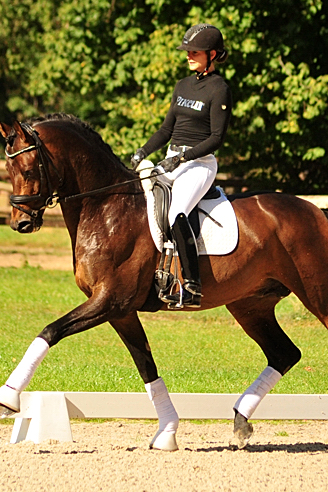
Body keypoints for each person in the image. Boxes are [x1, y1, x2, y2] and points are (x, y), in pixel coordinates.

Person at [131, 24, 232, 308]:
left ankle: (192, 284)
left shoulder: (219, 89)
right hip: (172, 158)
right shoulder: (183, 85)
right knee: (143, 202)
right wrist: (143, 151)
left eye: (195, 51)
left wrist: (183, 158)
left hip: (199, 163)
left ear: (212, 54)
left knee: (177, 213)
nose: (189, 55)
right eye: (187, 51)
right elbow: (166, 130)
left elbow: (216, 138)